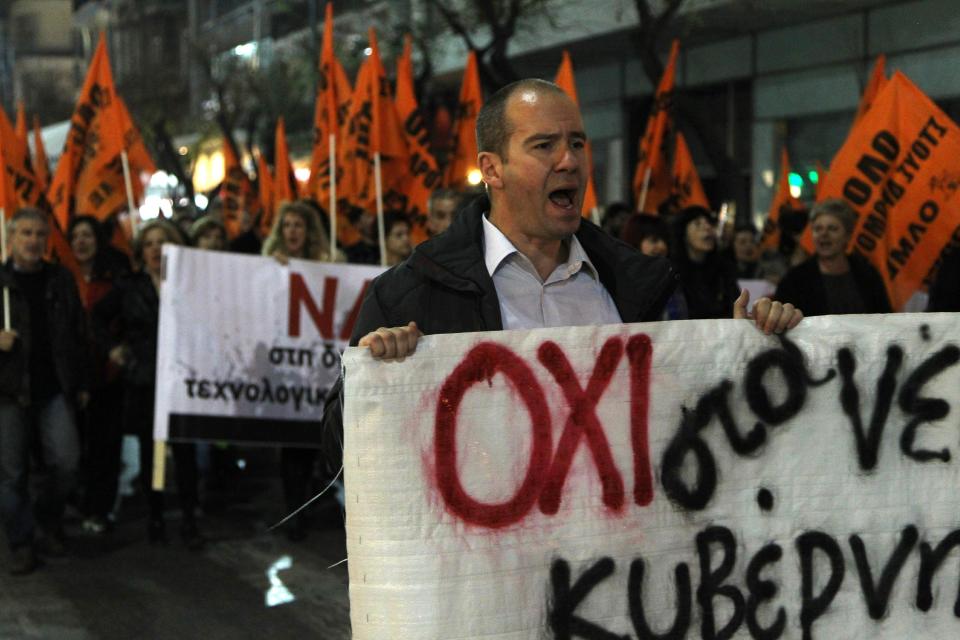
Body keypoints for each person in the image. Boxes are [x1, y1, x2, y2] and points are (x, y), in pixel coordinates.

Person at [326, 78, 800, 382]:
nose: (570, 160)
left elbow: (685, 407)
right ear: (492, 170)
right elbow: (341, 444)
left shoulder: (644, 287)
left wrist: (743, 354)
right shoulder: (408, 294)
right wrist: (377, 373)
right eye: (544, 145)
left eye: (576, 143)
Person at [101, 219, 204, 548]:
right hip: (147, 381)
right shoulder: (129, 286)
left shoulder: (191, 283)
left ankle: (189, 515)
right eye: (149, 243)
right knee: (154, 453)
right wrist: (115, 350)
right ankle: (156, 514)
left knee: (185, 451)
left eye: (163, 241)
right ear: (141, 251)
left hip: (184, 379)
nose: (156, 249)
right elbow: (96, 318)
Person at [0, 207, 89, 575]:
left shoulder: (60, 280)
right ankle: (21, 542)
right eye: (26, 234)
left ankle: (48, 519)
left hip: (54, 388)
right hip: (8, 390)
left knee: (66, 462)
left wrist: (82, 381)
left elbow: (78, 333)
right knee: (11, 473)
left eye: (39, 234)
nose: (33, 241)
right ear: (11, 238)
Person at [68, 215, 129, 536]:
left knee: (106, 446)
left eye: (87, 235)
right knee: (73, 447)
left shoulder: (115, 277)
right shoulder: (60, 277)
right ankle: (77, 498)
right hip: (72, 378)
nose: (81, 242)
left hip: (107, 375)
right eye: (75, 236)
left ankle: (99, 508)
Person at [774, 199, 891, 315]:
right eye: (818, 229)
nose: (824, 234)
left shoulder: (867, 274)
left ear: (847, 235)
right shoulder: (794, 280)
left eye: (832, 229)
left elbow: (885, 318)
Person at [670, 206, 741, 320]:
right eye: (698, 224)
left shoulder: (724, 269)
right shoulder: (671, 272)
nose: (707, 227)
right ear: (683, 234)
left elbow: (736, 307)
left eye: (709, 223)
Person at [263, 200, 342, 264]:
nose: (292, 230)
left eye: (298, 225)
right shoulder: (271, 260)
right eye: (286, 225)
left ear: (309, 231)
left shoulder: (325, 261)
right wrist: (274, 264)